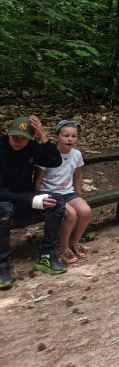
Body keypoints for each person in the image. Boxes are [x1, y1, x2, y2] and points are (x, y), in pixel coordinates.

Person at [0, 115, 66, 287]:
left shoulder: (31, 147)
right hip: (5, 200)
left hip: (25, 198)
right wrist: (34, 201)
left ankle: (46, 256)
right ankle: (2, 265)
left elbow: (55, 161)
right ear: (8, 134)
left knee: (57, 201)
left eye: (23, 138)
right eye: (15, 137)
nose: (18, 141)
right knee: (4, 210)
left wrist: (43, 137)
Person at [33, 120, 91, 264]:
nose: (70, 139)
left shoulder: (76, 154)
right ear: (57, 137)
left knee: (85, 211)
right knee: (71, 214)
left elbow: (77, 177)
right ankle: (63, 248)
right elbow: (38, 180)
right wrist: (37, 198)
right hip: (50, 193)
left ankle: (74, 242)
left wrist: (78, 195)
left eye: (73, 136)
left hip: (68, 192)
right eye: (66, 136)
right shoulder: (48, 155)